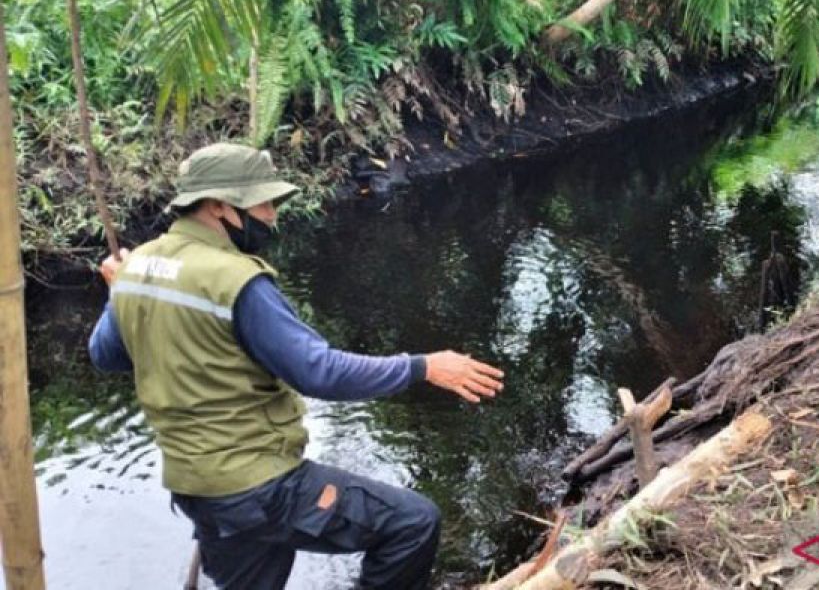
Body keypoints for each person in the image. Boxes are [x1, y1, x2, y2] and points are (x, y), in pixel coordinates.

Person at [89, 143, 506, 589]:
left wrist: (119, 292)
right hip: (258, 486)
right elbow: (318, 372)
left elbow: (106, 355)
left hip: (197, 489)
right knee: (412, 524)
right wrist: (422, 367)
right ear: (217, 207)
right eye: (263, 203)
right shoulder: (236, 280)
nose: (272, 214)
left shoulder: (136, 268)